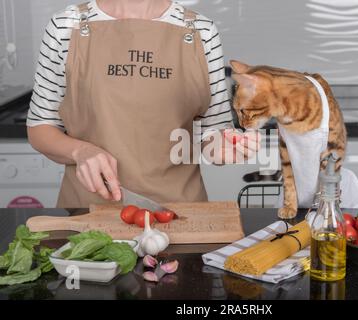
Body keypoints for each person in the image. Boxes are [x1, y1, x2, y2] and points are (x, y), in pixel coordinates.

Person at [27, 0, 259, 208]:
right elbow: (40, 127)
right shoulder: (66, 26)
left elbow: (213, 129)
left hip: (180, 213)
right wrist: (80, 151)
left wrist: (221, 148)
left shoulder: (201, 30)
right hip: (88, 214)